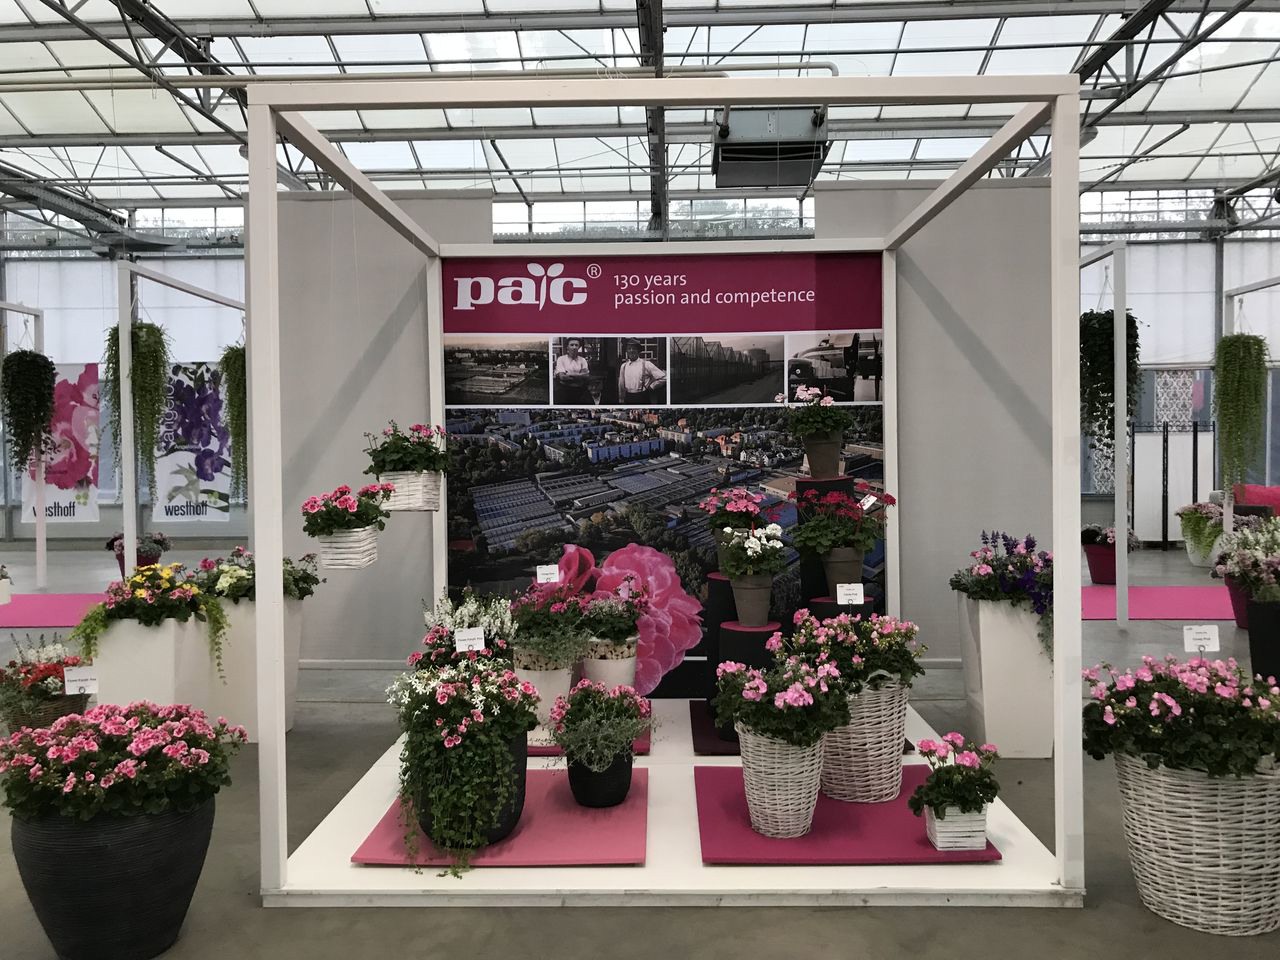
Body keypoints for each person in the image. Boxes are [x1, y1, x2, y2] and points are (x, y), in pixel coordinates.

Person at [616, 339, 667, 404]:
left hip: (642, 397)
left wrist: (652, 386)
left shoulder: (646, 364)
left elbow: (664, 378)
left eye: (634, 348)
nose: (631, 351)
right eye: (629, 348)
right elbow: (621, 384)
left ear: (638, 351)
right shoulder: (624, 366)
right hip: (628, 397)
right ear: (627, 351)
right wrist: (621, 399)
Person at [554, 337, 593, 405]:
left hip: (580, 389)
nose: (574, 347)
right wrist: (580, 376)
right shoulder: (561, 359)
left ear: (579, 347)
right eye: (571, 345)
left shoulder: (582, 360)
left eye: (576, 345)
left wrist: (569, 374)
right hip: (565, 390)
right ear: (567, 347)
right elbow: (563, 377)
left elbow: (586, 376)